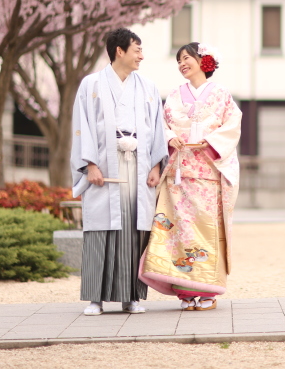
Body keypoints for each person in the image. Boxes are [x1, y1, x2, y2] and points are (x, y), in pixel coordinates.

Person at [71, 28, 168, 316]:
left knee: (134, 228)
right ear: (119, 51)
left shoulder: (148, 87)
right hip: (104, 163)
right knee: (101, 228)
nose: (142, 55)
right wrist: (90, 165)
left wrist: (155, 165)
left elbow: (156, 127)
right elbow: (82, 126)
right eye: (137, 49)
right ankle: (95, 299)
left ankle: (131, 297)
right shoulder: (90, 85)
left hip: (138, 163)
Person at [139, 42, 241, 311]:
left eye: (187, 58)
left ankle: (207, 292)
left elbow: (232, 125)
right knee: (179, 231)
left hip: (207, 172)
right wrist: (171, 137)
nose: (182, 64)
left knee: (205, 231)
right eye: (179, 60)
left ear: (203, 61)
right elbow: (161, 124)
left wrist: (210, 142)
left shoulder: (221, 94)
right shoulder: (174, 95)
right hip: (180, 174)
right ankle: (185, 292)